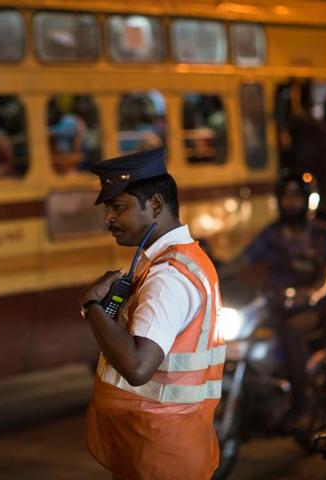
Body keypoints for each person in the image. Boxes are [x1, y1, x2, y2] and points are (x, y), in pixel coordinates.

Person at [81, 147, 225, 479]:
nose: (109, 219)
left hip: (158, 451)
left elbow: (138, 366)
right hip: (161, 442)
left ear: (155, 205)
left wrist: (91, 307)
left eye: (119, 207)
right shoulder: (180, 260)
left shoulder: (168, 277)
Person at [220, 173, 326, 425]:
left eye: (295, 197)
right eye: (285, 197)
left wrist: (312, 293)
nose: (290, 202)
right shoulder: (273, 233)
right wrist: (212, 273)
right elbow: (243, 260)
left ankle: (301, 404)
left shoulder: (324, 234)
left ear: (308, 201)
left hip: (316, 306)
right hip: (277, 303)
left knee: (290, 331)